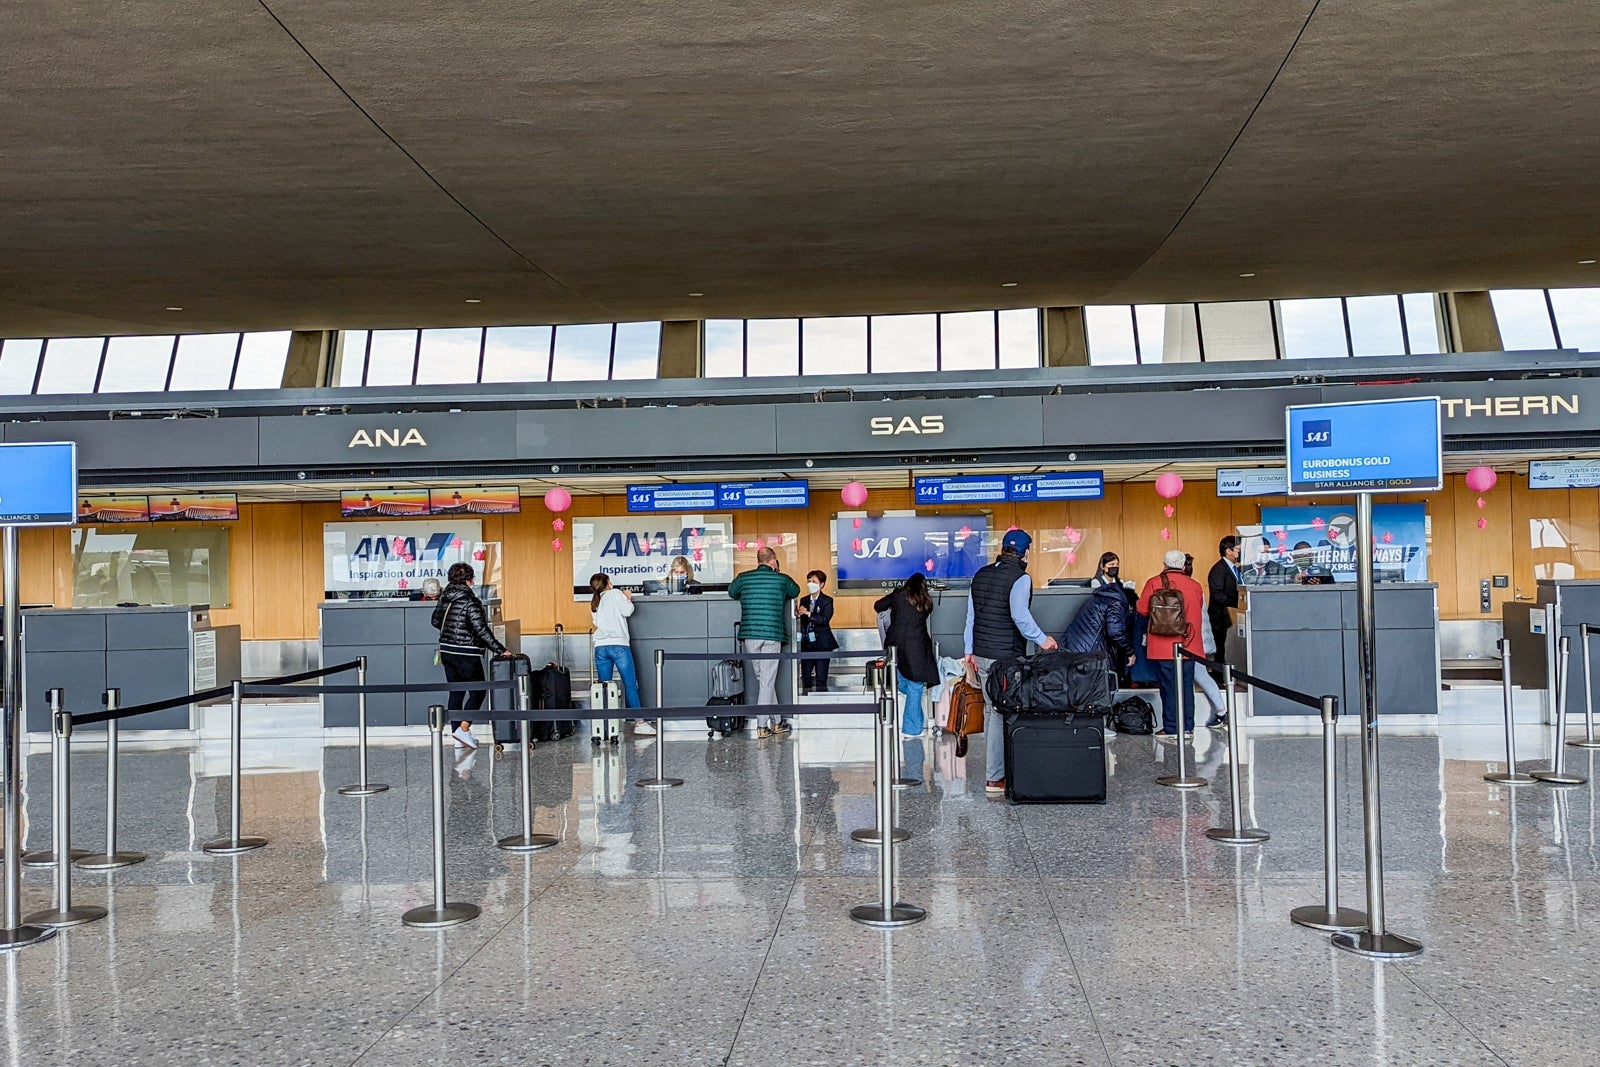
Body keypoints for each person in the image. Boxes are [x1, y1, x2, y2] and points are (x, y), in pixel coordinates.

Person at [964, 529, 1057, 795]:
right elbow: (1020, 616)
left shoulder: (980, 575)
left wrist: (968, 650)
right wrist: (1043, 640)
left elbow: (971, 616)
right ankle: (996, 778)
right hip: (1004, 658)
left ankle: (1000, 771)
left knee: (992, 710)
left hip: (981, 654)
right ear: (1025, 553)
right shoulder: (1020, 577)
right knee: (1002, 712)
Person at [432, 562, 510, 748]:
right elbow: (481, 630)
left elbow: (435, 621)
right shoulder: (470, 601)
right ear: (468, 580)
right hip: (466, 652)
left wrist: (452, 632)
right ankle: (464, 728)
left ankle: (457, 735)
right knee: (478, 691)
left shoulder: (445, 597)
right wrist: (500, 649)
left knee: (456, 692)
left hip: (447, 651)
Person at [728, 546, 801, 738]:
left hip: (750, 634)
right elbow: (795, 591)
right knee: (767, 681)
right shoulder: (781, 579)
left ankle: (776, 722)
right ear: (773, 560)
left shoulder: (744, 578)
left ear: (758, 560)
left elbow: (732, 592)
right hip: (771, 634)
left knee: (764, 680)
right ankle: (762, 726)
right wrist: (778, 572)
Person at [1137, 549, 1207, 737]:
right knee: (1187, 687)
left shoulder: (1154, 583)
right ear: (1183, 565)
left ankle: (1172, 728)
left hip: (1163, 645)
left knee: (1168, 687)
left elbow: (1142, 609)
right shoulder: (1195, 585)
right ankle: (1188, 726)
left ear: (1164, 564)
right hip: (1189, 644)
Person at [875, 573, 939, 735]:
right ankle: (911, 730)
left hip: (896, 647)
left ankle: (914, 724)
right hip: (918, 648)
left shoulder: (898, 595)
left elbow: (878, 606)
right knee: (915, 687)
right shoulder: (925, 600)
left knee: (907, 684)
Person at [589, 572, 650, 736]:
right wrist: (628, 597)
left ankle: (606, 727)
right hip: (618, 645)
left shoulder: (595, 601)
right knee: (630, 685)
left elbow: (596, 622)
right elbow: (628, 611)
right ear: (608, 583)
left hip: (600, 647)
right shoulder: (615, 593)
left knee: (605, 687)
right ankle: (640, 723)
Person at [1185, 554, 1229, 728]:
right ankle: (1221, 711)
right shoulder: (1196, 587)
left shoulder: (1186, 589)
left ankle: (1221, 711)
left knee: (1197, 675)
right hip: (1199, 640)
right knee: (1201, 675)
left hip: (1191, 641)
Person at [1060, 568, 1133, 669]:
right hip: (1088, 652)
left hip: (1074, 646)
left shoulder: (1101, 598)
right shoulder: (1117, 604)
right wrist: (1130, 652)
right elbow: (1116, 632)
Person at [796, 570, 838, 693]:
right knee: (806, 677)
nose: (810, 584)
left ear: (821, 584)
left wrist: (809, 613)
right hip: (807, 644)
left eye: (814, 581)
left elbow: (825, 619)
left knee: (821, 678)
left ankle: (822, 701)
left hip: (822, 644)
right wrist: (799, 613)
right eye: (809, 581)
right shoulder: (804, 600)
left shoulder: (827, 600)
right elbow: (801, 620)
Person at [1206, 536, 1240, 678]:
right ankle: (1219, 675)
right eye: (1238, 549)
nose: (1240, 552)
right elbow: (1217, 594)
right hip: (1220, 616)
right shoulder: (1218, 569)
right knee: (1220, 647)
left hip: (1231, 615)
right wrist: (1235, 605)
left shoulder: (1235, 568)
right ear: (1228, 551)